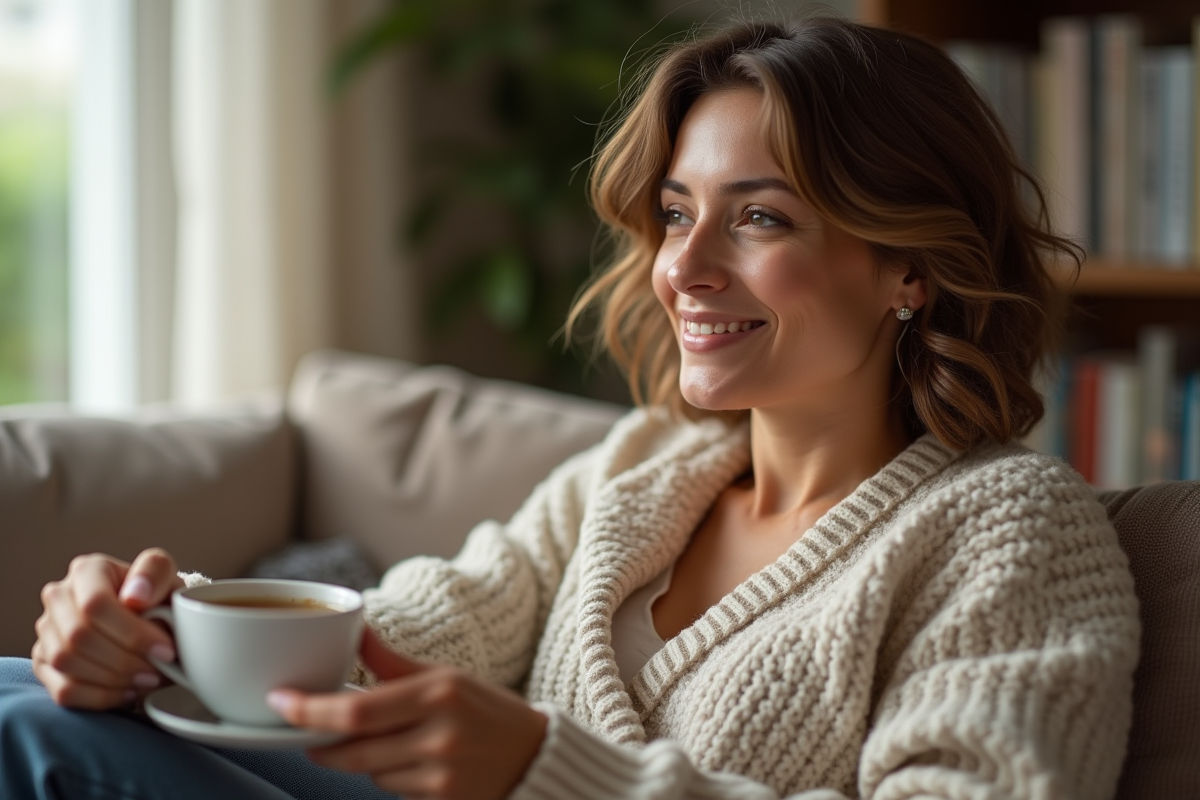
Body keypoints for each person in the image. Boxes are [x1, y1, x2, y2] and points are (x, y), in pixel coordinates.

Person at [0, 15, 1139, 800]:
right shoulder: (638, 469)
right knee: (25, 689)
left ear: (912, 268)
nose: (682, 268)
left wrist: (545, 768)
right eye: (678, 211)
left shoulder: (1011, 526)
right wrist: (160, 631)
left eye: (760, 217)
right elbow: (392, 644)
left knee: (26, 731)